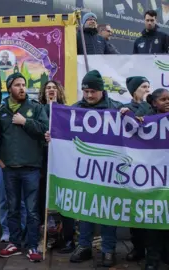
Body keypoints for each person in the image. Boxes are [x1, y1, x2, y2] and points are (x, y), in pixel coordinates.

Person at [61, 70, 122, 267]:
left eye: (92, 91)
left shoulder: (116, 108)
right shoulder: (76, 109)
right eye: (85, 91)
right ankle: (84, 246)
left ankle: (108, 249)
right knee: (85, 209)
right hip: (84, 170)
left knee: (107, 211)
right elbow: (63, 131)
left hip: (109, 172)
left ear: (102, 91)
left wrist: (131, 115)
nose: (88, 95)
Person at [0, 71, 48, 263]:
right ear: (9, 89)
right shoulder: (1, 112)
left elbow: (45, 130)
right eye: (17, 85)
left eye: (23, 84)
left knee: (32, 210)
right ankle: (15, 243)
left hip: (31, 167)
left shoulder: (36, 107)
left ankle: (32, 245)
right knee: (13, 208)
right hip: (9, 168)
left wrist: (25, 122)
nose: (22, 88)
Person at [38, 80, 75, 254]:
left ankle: (68, 239)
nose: (51, 90)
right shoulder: (38, 110)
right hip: (43, 160)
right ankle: (47, 237)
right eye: (48, 88)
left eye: (54, 88)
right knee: (44, 199)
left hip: (62, 161)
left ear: (59, 91)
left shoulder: (67, 111)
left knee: (63, 199)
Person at [118, 76, 151, 262]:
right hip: (133, 167)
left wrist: (146, 104)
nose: (147, 89)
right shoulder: (125, 109)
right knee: (135, 209)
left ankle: (156, 250)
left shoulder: (154, 105)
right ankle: (137, 247)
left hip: (152, 166)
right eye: (143, 87)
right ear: (134, 91)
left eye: (148, 86)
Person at [136, 88, 169, 270]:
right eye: (163, 99)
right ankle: (152, 260)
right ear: (154, 103)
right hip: (154, 181)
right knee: (155, 223)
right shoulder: (145, 119)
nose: (167, 102)